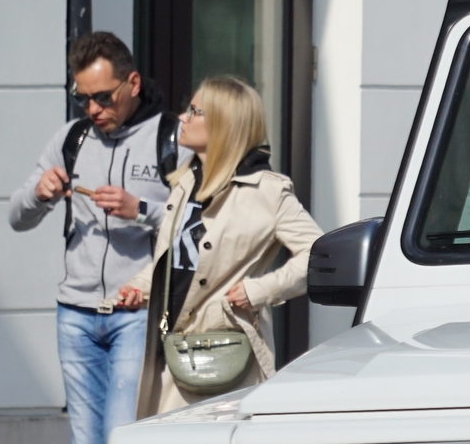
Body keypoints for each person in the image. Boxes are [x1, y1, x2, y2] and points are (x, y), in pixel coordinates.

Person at [9, 31, 174, 444]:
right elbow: (16, 215)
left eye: (103, 97)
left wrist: (142, 210)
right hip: (75, 313)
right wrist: (41, 191)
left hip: (134, 315)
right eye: (84, 98)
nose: (94, 111)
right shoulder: (72, 139)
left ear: (131, 84)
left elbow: (202, 226)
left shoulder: (171, 139)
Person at [116, 75, 321, 416]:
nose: (182, 117)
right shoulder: (186, 183)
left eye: (194, 111)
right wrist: (139, 287)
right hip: (172, 352)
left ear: (224, 124)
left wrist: (260, 290)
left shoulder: (267, 191)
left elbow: (319, 254)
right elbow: (175, 262)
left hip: (226, 357)